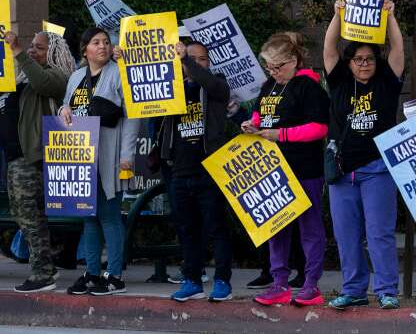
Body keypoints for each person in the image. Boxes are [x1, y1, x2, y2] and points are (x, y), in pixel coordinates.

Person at [323, 0, 404, 310]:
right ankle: (354, 289)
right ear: (350, 63)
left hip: (377, 169)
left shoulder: (386, 83)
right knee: (346, 235)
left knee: (379, 233)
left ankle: (386, 290)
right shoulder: (341, 84)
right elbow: (329, 49)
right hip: (343, 172)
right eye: (358, 59)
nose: (365, 63)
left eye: (369, 58)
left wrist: (390, 17)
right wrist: (337, 15)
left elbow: (396, 51)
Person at [242, 33, 329, 306]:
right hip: (273, 169)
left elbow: (320, 128)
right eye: (269, 66)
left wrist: (281, 135)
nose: (273, 72)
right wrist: (251, 125)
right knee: (275, 228)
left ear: (293, 61)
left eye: (277, 66)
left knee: (309, 227)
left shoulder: (309, 87)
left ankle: (311, 283)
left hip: (304, 168)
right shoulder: (270, 85)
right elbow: (259, 115)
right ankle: (278, 282)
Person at [61, 27, 140, 296]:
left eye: (106, 42)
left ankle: (115, 275)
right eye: (96, 42)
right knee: (88, 216)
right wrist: (64, 110)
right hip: (81, 157)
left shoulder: (120, 73)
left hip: (109, 153)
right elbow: (65, 108)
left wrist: (126, 156)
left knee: (109, 215)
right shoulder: (75, 78)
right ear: (85, 49)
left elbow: (133, 116)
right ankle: (92, 273)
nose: (103, 46)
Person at [157, 41, 233, 302]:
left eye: (202, 59)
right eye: (192, 58)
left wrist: (186, 62)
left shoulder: (217, 86)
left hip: (209, 170)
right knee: (187, 230)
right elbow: (141, 92)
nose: (197, 63)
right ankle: (192, 280)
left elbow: (210, 84)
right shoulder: (172, 89)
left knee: (217, 228)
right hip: (180, 171)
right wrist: (124, 62)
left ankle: (222, 280)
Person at [3, 30, 75, 292]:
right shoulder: (24, 77)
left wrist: (20, 52)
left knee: (31, 216)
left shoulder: (59, 76)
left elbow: (43, 83)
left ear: (54, 52)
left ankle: (43, 272)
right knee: (22, 215)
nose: (32, 50)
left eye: (39, 48)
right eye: (31, 46)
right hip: (15, 157)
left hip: (33, 157)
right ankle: (45, 265)